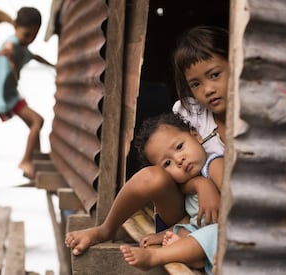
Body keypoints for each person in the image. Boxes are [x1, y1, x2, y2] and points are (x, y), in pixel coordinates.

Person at [65, 25, 228, 260]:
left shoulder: (255, 124)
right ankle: (105, 229)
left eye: (215, 75)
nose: (208, 89)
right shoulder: (194, 113)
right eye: (195, 84)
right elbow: (177, 173)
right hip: (185, 206)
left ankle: (179, 238)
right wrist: (202, 186)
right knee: (153, 176)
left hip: (222, 215)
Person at [119, 112, 223, 274]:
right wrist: (161, 235)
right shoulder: (189, 184)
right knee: (184, 230)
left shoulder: (214, 165)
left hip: (226, 232)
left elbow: (238, 200)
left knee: (213, 233)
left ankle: (156, 256)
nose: (179, 160)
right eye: (167, 163)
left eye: (180, 147)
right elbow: (192, 218)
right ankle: (194, 255)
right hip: (204, 234)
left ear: (196, 136)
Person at [0, 7, 54, 179]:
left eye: (34, 36)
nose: (29, 40)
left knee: (34, 125)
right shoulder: (12, 44)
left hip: (12, 94)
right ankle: (25, 161)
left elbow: (34, 56)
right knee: (37, 121)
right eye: (26, 35)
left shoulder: (22, 45)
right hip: (7, 96)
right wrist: (10, 57)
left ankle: (36, 158)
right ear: (15, 27)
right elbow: (9, 48)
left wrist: (54, 66)